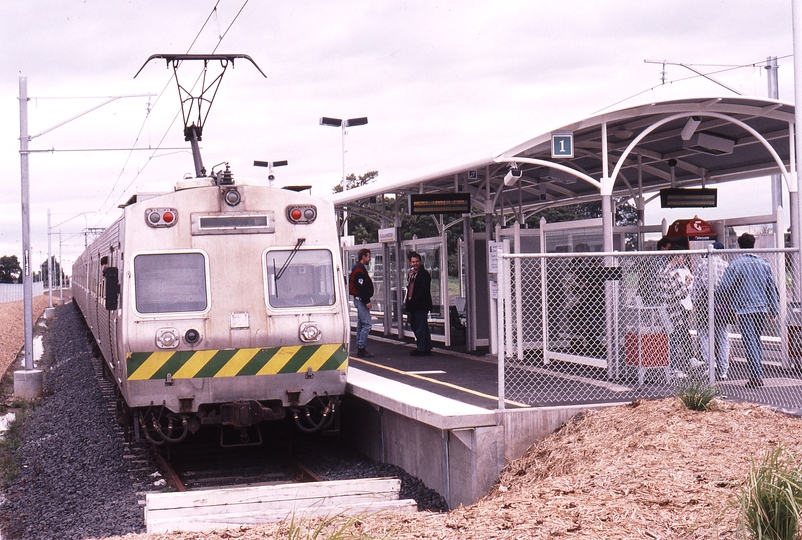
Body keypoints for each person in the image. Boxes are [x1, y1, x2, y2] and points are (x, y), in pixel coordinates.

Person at [717, 233, 779, 388]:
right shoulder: (764, 263)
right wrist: (774, 309)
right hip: (762, 307)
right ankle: (757, 372)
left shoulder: (736, 264)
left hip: (744, 308)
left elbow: (724, 287)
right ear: (753, 244)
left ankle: (756, 375)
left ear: (739, 245)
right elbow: (771, 287)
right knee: (756, 339)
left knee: (749, 340)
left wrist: (724, 301)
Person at [657, 245, 699, 378]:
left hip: (665, 309)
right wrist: (686, 285)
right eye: (682, 257)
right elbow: (681, 294)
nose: (683, 260)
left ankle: (671, 368)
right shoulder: (674, 273)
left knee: (672, 339)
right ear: (676, 257)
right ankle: (674, 369)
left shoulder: (662, 270)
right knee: (674, 340)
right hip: (674, 310)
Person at [690, 241, 730, 379]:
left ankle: (710, 364)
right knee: (723, 336)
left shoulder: (702, 264)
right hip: (722, 302)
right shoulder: (725, 265)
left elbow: (696, 286)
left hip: (704, 302)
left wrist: (694, 305)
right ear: (721, 252)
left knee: (704, 335)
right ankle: (723, 370)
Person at [405, 251, 432, 356]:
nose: (415, 264)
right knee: (415, 324)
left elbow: (423, 290)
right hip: (412, 304)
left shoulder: (424, 274)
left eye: (417, 262)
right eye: (413, 262)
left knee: (420, 326)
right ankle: (426, 346)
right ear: (409, 262)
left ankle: (422, 348)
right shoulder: (411, 274)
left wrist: (414, 300)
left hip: (421, 304)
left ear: (420, 262)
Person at [348, 248, 374, 358]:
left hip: (358, 299)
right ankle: (361, 347)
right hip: (361, 299)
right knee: (367, 324)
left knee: (361, 324)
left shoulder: (358, 268)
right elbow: (361, 287)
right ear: (363, 256)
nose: (369, 259)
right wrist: (367, 301)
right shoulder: (359, 270)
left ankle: (360, 346)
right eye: (368, 256)